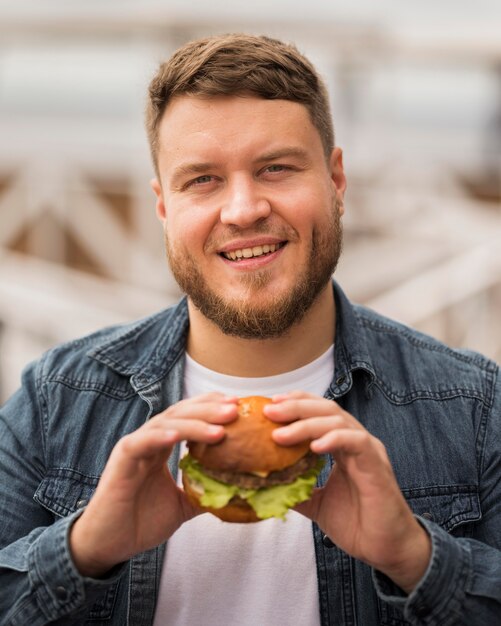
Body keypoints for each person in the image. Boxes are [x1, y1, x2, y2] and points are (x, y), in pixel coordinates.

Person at [0, 33, 500, 626]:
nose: (243, 209)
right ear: (164, 206)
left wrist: (417, 560)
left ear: (336, 182)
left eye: (276, 168)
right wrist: (83, 551)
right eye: (202, 180)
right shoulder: (55, 399)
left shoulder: (476, 409)